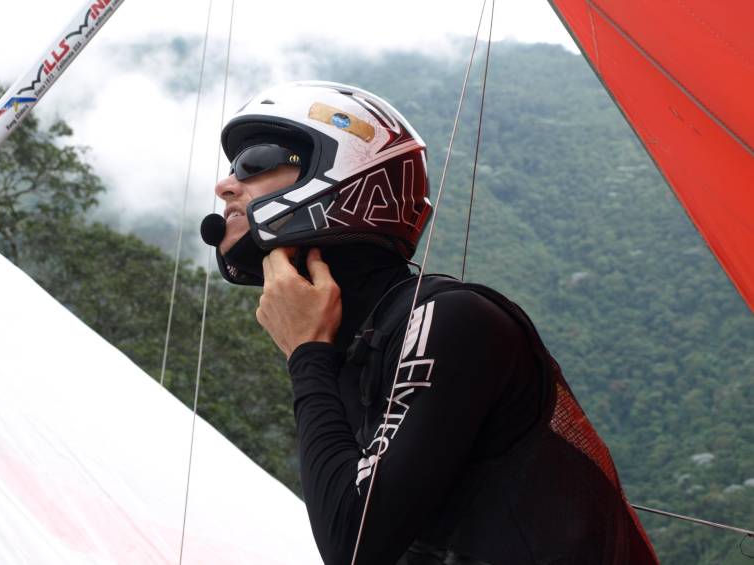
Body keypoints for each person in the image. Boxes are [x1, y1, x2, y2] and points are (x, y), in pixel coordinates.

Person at [202, 81, 659, 565]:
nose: (225, 185)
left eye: (254, 163)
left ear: (339, 172)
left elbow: (353, 545)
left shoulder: (450, 319)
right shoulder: (362, 344)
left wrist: (306, 355)